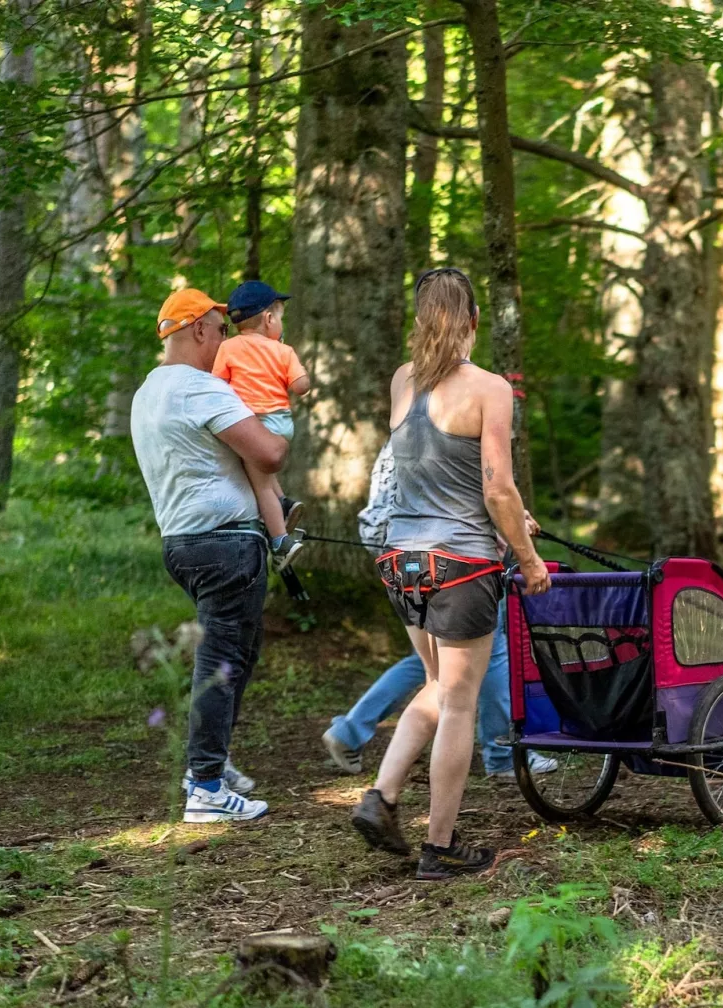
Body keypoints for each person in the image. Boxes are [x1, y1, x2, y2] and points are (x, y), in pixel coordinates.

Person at [350, 267, 550, 880]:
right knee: (460, 705)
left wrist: (516, 516)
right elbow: (495, 486)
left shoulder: (403, 381)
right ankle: (440, 847)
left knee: (438, 685)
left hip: (401, 563)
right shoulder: (489, 387)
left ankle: (381, 798)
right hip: (461, 564)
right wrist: (527, 557)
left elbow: (426, 474)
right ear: (473, 321)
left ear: (419, 320)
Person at [131, 288, 289, 823]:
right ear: (197, 328)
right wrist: (280, 413)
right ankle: (205, 787)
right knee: (222, 663)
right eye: (221, 330)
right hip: (226, 544)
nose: (225, 340)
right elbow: (268, 452)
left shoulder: (149, 391)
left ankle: (209, 765)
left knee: (235, 656)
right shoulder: (200, 389)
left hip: (182, 542)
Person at [320, 443, 558, 780]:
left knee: (438, 660)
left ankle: (350, 731)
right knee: (489, 650)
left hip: (397, 547)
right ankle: (502, 754)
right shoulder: (465, 417)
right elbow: (482, 491)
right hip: (454, 550)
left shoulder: (410, 414)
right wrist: (512, 528)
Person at [212, 280, 312, 570]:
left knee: (260, 486)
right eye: (280, 317)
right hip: (280, 422)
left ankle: (281, 541)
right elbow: (301, 386)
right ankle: (284, 504)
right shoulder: (284, 351)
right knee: (263, 477)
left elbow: (217, 385)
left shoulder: (228, 348)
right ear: (269, 319)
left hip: (254, 424)